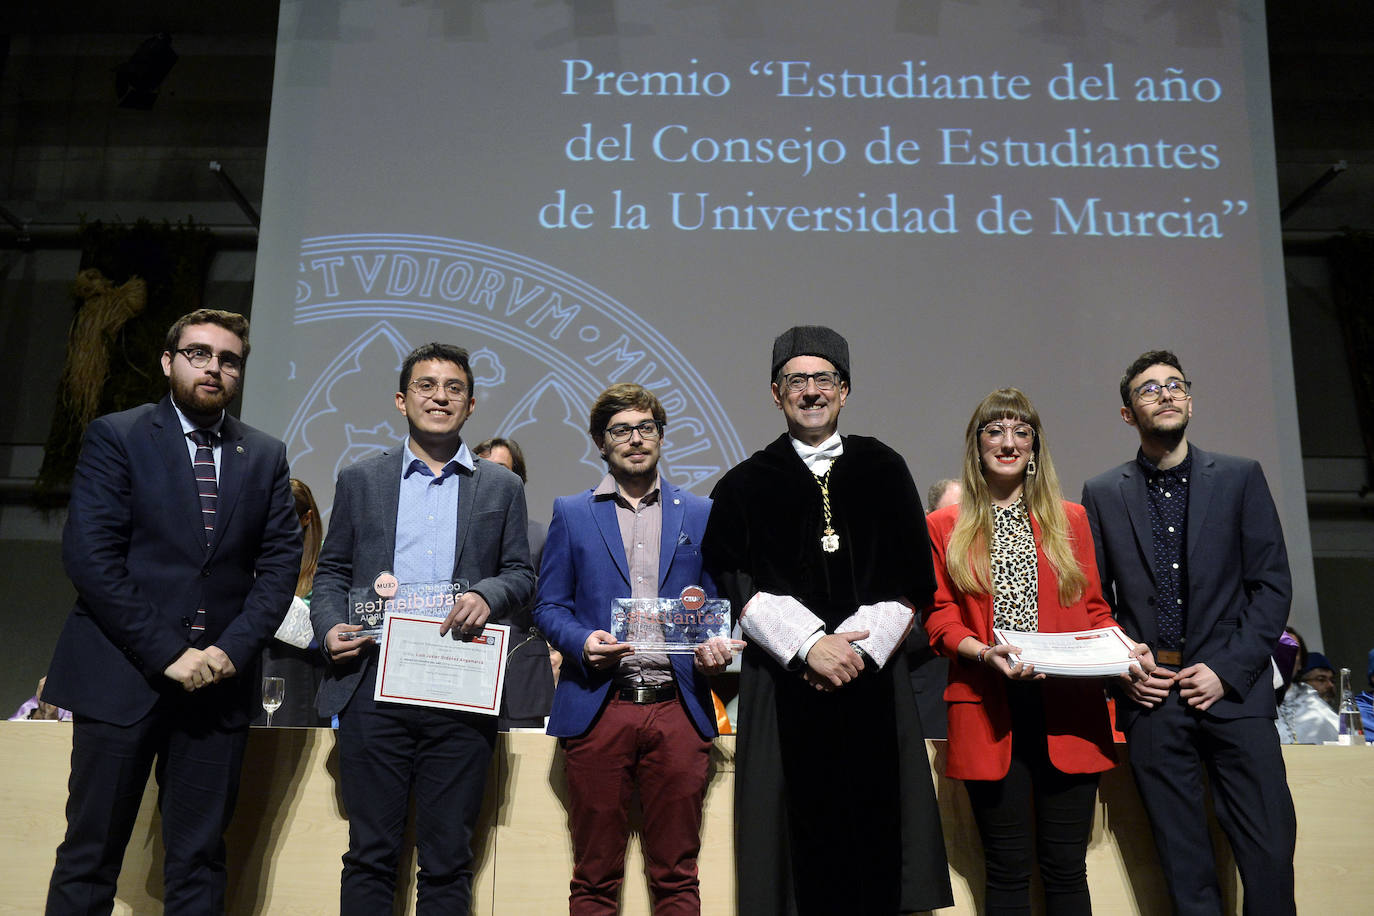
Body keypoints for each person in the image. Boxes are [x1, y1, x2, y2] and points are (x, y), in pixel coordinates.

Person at [42, 308, 302, 914]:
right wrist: (170, 654)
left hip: (217, 687)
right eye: (199, 354)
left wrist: (227, 652)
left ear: (239, 373)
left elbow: (278, 570)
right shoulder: (118, 435)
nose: (214, 367)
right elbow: (91, 559)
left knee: (201, 860)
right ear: (169, 362)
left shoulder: (264, 455)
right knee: (90, 855)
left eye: (228, 359)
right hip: (120, 678)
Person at [702, 325, 952, 916]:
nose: (810, 391)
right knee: (790, 865)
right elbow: (736, 581)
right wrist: (810, 645)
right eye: (796, 380)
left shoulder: (883, 467)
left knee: (877, 843)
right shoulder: (744, 484)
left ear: (844, 390)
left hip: (873, 683)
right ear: (774, 392)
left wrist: (854, 653)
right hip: (785, 684)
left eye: (823, 379)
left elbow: (911, 576)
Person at [310, 342, 535, 914]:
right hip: (374, 686)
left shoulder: (501, 486)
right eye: (427, 386)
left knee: (446, 860)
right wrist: (332, 623)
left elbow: (520, 573)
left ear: (471, 403)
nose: (440, 396)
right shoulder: (361, 478)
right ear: (401, 399)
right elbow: (332, 570)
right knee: (370, 855)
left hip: (460, 685)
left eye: (453, 387)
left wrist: (488, 593)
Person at [1081, 349, 1296, 916]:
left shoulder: (1240, 477)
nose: (1166, 394)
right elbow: (1094, 602)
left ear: (1190, 399)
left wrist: (1226, 671)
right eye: (1149, 390)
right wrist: (1124, 670)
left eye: (1175, 385)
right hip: (1152, 695)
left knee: (1270, 852)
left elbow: (1271, 586)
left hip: (1235, 690)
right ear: (1129, 414)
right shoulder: (1103, 492)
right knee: (1183, 865)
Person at [926, 387, 1149, 914]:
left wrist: (1123, 648)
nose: (1008, 442)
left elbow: (1094, 608)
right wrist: (984, 653)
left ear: (1035, 447)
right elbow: (939, 617)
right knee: (1005, 869)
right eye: (995, 431)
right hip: (988, 706)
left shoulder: (1069, 519)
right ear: (976, 445)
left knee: (1066, 867)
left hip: (1069, 708)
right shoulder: (944, 525)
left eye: (1021, 432)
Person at [533, 382, 732, 914]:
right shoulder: (572, 512)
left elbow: (714, 605)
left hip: (677, 707)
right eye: (621, 430)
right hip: (600, 706)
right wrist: (581, 641)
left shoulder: (700, 512)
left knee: (677, 876)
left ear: (661, 437)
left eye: (647, 428)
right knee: (594, 877)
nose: (636, 439)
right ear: (601, 442)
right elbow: (548, 606)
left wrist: (715, 644)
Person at [473, 435, 556, 729]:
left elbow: (555, 602)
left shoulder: (540, 536)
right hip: (462, 667)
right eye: (484, 468)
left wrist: (558, 653)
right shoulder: (453, 537)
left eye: (505, 471)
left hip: (521, 675)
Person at [254, 478, 328, 726]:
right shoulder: (252, 557)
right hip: (251, 671)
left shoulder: (327, 562)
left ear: (306, 518)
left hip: (298, 675)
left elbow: (317, 631)